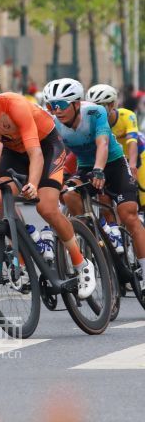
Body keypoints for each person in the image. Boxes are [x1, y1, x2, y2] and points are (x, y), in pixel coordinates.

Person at [0, 67, 96, 299]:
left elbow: (36, 155)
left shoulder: (15, 105)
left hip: (45, 147)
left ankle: (81, 263)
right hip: (14, 151)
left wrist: (32, 183)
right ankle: (23, 262)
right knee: (2, 196)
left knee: (46, 207)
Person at [46, 78, 145, 280]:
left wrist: (99, 170)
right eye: (51, 105)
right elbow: (54, 153)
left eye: (62, 105)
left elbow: (103, 144)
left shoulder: (94, 112)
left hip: (114, 163)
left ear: (76, 103)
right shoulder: (53, 123)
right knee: (69, 194)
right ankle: (93, 233)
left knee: (129, 215)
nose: (57, 110)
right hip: (85, 166)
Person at [86, 83, 145, 207]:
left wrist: (133, 166)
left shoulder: (127, 115)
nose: (96, 110)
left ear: (112, 105)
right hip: (114, 157)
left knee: (141, 193)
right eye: (92, 107)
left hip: (137, 154)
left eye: (101, 106)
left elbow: (132, 142)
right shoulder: (91, 121)